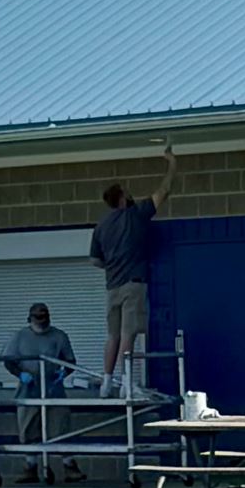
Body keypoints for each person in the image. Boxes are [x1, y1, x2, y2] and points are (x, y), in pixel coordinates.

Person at [92, 148, 176, 383]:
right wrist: (172, 164)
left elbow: (95, 260)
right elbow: (164, 191)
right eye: (127, 192)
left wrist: (114, 263)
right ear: (121, 198)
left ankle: (107, 383)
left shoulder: (102, 226)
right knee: (129, 334)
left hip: (112, 287)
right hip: (132, 284)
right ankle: (127, 384)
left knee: (113, 336)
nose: (130, 194)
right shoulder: (136, 214)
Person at [0, 302, 77, 481]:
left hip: (53, 390)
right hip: (29, 390)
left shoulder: (59, 336)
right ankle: (30, 468)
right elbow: (8, 361)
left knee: (61, 428)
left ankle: (70, 467)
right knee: (28, 429)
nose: (41, 320)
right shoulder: (20, 337)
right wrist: (21, 374)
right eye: (37, 317)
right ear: (30, 318)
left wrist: (63, 372)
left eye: (44, 316)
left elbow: (71, 361)